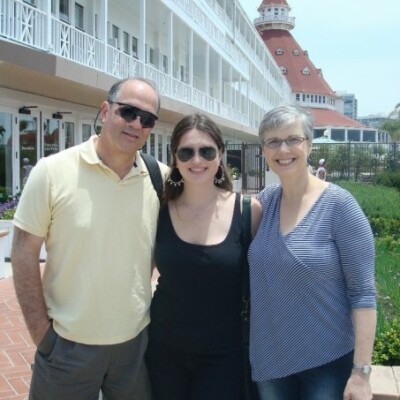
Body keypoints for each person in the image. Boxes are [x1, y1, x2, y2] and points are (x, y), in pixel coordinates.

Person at [11, 77, 169, 400]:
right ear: (106, 110)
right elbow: (24, 253)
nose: (136, 123)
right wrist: (42, 336)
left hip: (135, 346)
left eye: (147, 119)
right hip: (67, 348)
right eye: (128, 111)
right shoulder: (52, 171)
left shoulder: (160, 179)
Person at [248, 104, 376, 400]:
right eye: (273, 141)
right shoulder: (263, 204)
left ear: (309, 144)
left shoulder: (340, 207)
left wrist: (361, 372)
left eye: (293, 139)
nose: (284, 149)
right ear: (264, 151)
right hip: (270, 357)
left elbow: (364, 294)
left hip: (326, 360)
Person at [146, 113, 262, 400]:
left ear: (220, 154)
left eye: (206, 151)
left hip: (225, 354)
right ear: (175, 157)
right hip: (164, 349)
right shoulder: (158, 209)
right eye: (186, 152)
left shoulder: (248, 212)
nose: (196, 160)